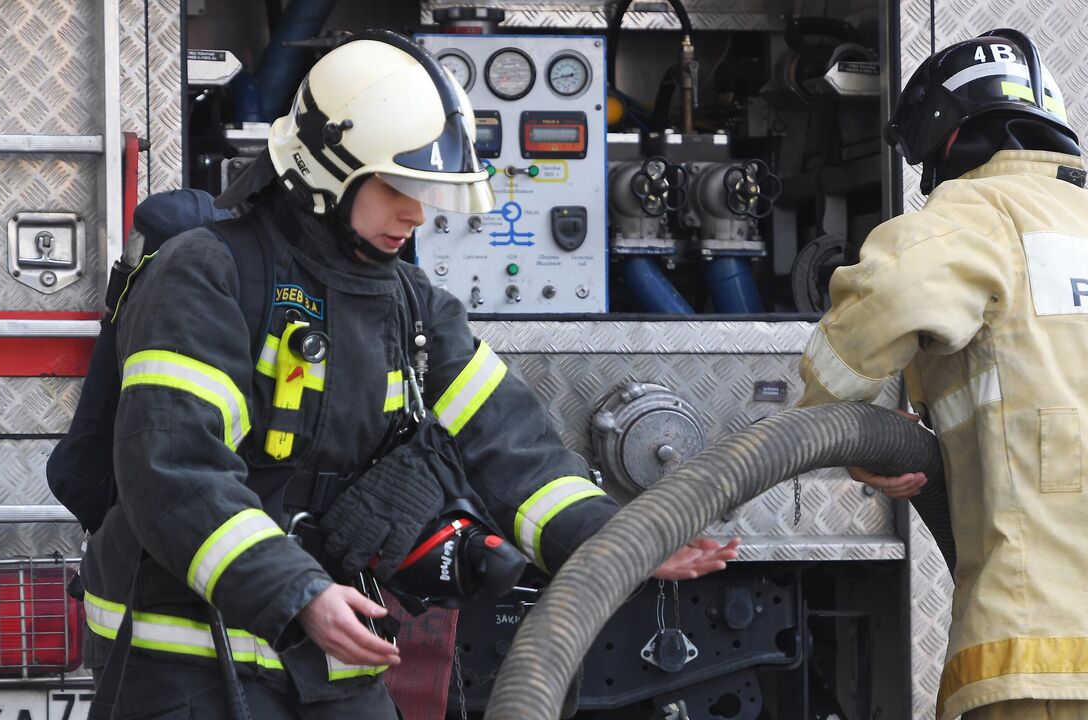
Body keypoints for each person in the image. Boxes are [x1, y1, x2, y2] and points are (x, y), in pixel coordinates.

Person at [80, 29, 738, 719]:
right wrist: (296, 592)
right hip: (183, 656)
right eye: (399, 187)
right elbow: (172, 469)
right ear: (328, 170)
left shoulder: (410, 304)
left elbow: (509, 449)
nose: (417, 213)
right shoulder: (206, 274)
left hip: (332, 649)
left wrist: (621, 542)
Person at [796, 28, 1088, 720]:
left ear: (941, 138)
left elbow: (881, 304)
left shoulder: (974, 212)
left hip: (1050, 637)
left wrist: (835, 421)